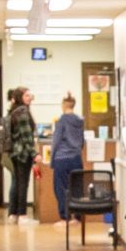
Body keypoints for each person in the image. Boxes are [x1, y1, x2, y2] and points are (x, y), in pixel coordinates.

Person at [1, 88, 36, 221]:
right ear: (20, 97)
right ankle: (22, 214)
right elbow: (26, 135)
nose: (30, 97)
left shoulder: (13, 111)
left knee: (16, 182)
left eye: (29, 94)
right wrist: (34, 153)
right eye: (26, 95)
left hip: (14, 152)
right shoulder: (23, 112)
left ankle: (13, 214)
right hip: (23, 153)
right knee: (23, 183)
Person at [50, 94, 86, 222]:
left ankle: (65, 217)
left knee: (61, 188)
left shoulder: (61, 121)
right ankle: (77, 217)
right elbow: (82, 141)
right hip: (76, 158)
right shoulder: (80, 121)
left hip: (62, 159)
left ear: (63, 105)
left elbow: (56, 142)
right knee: (77, 187)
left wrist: (52, 161)